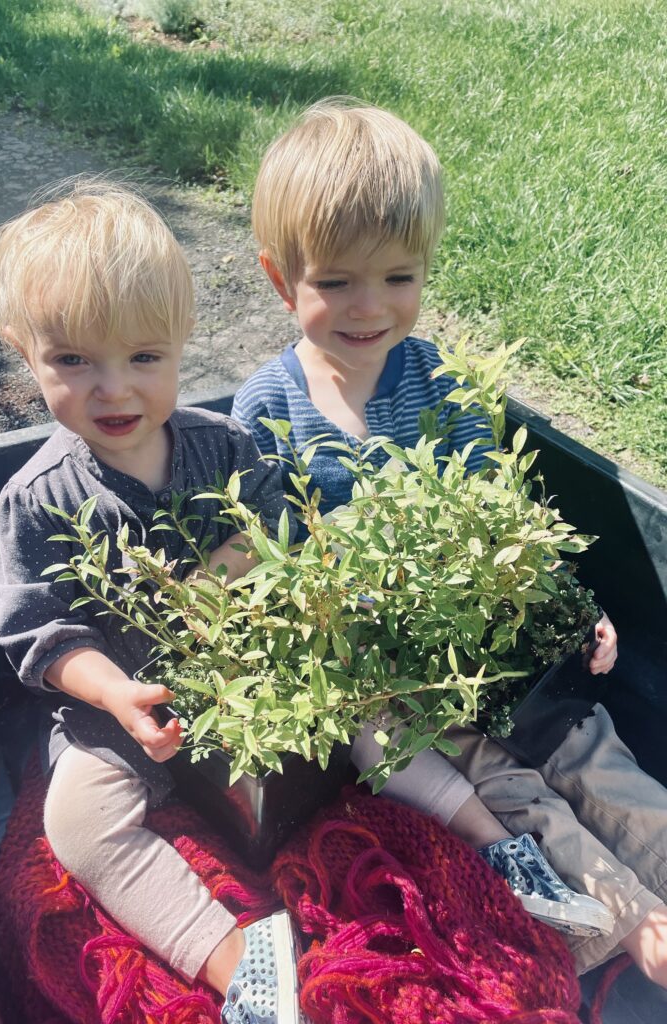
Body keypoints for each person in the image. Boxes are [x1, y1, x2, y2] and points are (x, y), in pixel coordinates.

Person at [231, 97, 667, 985]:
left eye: (398, 277)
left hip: (493, 647)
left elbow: (502, 518)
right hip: (393, 674)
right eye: (336, 282)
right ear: (284, 282)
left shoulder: (440, 384)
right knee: (504, 783)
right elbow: (273, 560)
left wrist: (569, 607)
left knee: (590, 746)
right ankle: (628, 925)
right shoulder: (262, 411)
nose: (371, 307)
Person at [0, 177, 302, 1024]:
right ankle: (243, 965)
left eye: (144, 359)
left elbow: (279, 524)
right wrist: (112, 692)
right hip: (121, 713)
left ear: (183, 343)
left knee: (386, 726)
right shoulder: (40, 496)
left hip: (249, 684)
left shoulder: (223, 446)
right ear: (27, 354)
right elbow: (36, 628)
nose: (114, 391)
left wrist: (226, 573)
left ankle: (499, 841)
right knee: (76, 826)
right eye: (74, 361)